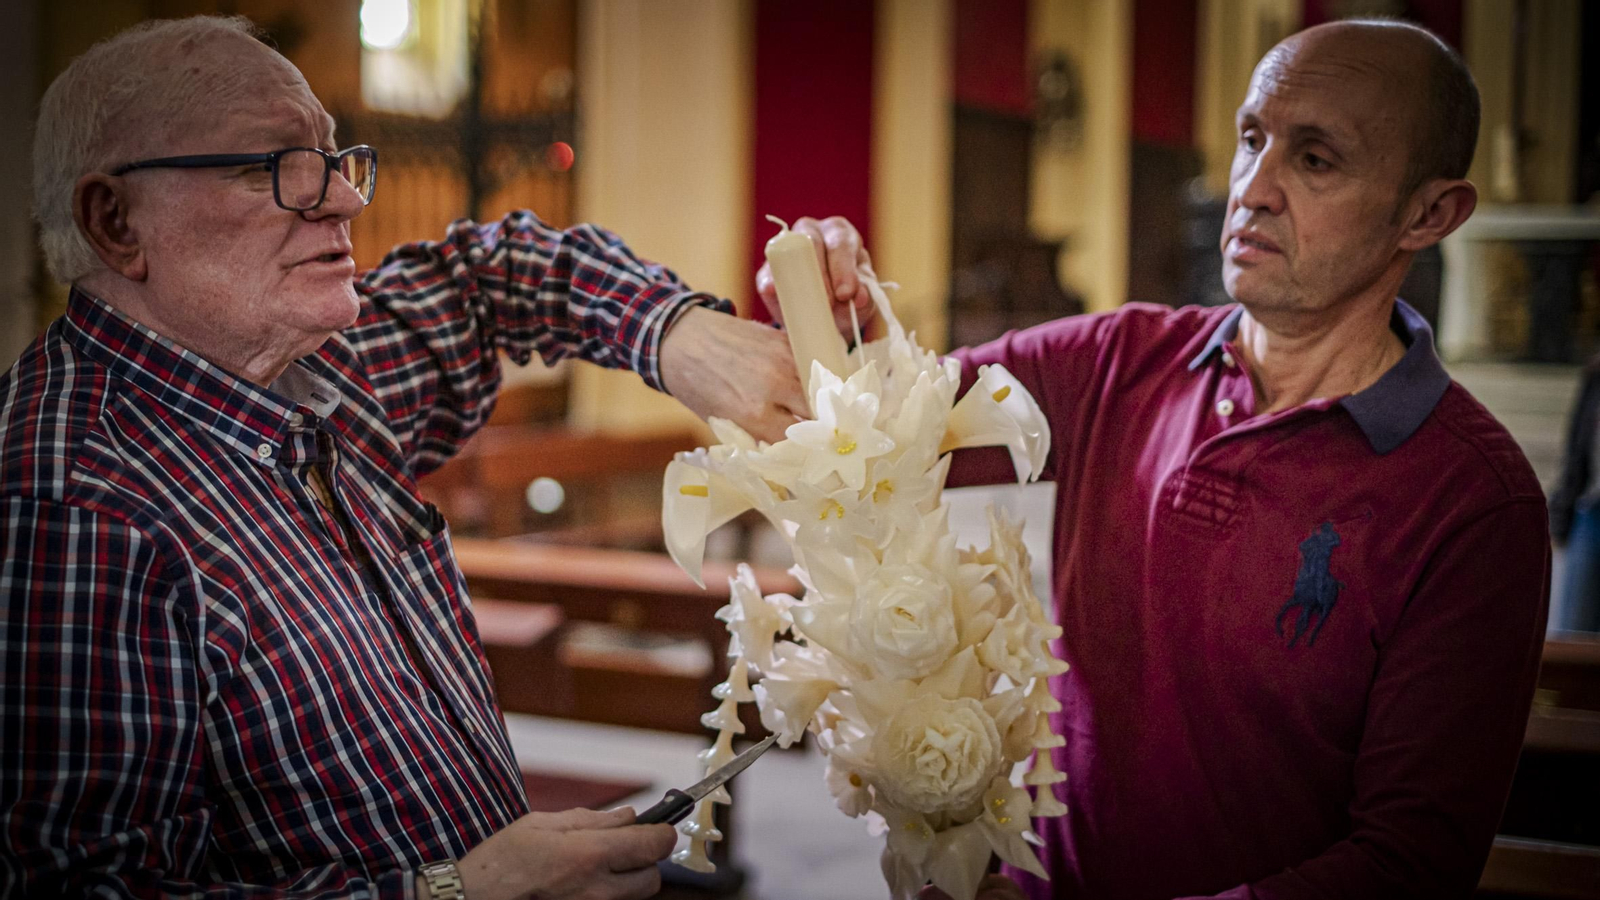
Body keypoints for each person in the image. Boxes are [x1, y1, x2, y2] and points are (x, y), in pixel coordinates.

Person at [0, 15, 849, 898]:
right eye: (271, 168)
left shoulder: (317, 366)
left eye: (333, 158)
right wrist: (453, 891)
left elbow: (494, 278)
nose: (343, 200)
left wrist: (674, 333)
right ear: (116, 221)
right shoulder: (72, 506)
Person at [760, 19, 1550, 900]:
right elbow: (871, 431)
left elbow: (1410, 866)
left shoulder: (1474, 500)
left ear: (1429, 213)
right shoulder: (1112, 361)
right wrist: (827, 301)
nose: (1252, 188)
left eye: (1317, 159)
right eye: (1253, 139)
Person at [1548, 355, 1600, 632]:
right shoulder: (1595, 375)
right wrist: (1561, 511)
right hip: (1591, 511)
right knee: (1575, 633)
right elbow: (1577, 448)